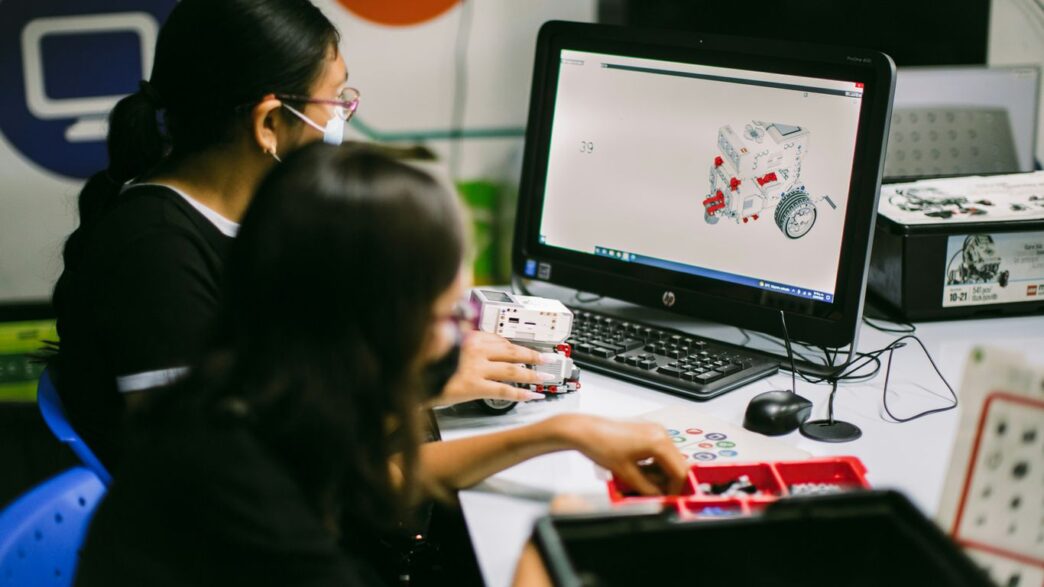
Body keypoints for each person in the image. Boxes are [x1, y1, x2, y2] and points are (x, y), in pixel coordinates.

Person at [75, 144, 688, 586]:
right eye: (452, 314)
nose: (462, 335)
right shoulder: (241, 497)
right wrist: (548, 551)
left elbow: (383, 476)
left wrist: (565, 433)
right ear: (376, 330)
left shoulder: (251, 396)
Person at [50, 0, 548, 469]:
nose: (341, 118)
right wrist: (414, 386)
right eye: (333, 100)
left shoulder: (252, 218)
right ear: (268, 123)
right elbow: (211, 464)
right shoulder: (153, 254)